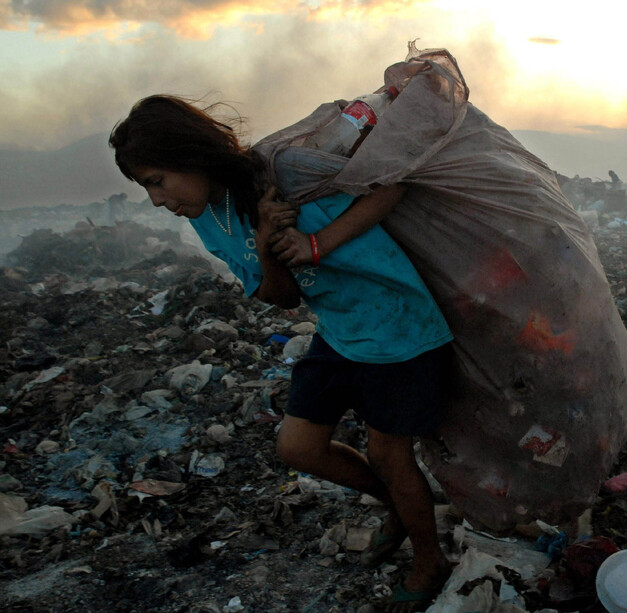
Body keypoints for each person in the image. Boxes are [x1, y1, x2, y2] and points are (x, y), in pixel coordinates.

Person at [109, 95, 453, 611]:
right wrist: (268, 242)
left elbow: (391, 186)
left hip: (397, 323)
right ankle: (398, 509)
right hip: (339, 330)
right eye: (146, 188)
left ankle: (429, 559)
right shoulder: (206, 219)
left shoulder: (284, 172)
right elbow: (282, 295)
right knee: (298, 448)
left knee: (389, 455)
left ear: (190, 157)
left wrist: (319, 244)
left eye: (158, 181)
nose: (158, 200)